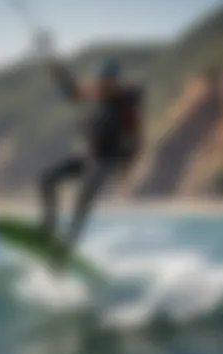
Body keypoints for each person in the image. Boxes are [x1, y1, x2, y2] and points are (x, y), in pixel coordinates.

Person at [35, 31, 145, 258]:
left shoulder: (126, 104)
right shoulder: (95, 93)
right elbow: (70, 91)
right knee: (46, 178)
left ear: (115, 82)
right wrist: (50, 57)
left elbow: (137, 139)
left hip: (108, 161)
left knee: (82, 197)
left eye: (107, 83)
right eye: (100, 82)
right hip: (89, 158)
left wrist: (128, 166)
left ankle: (68, 245)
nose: (101, 86)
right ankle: (48, 228)